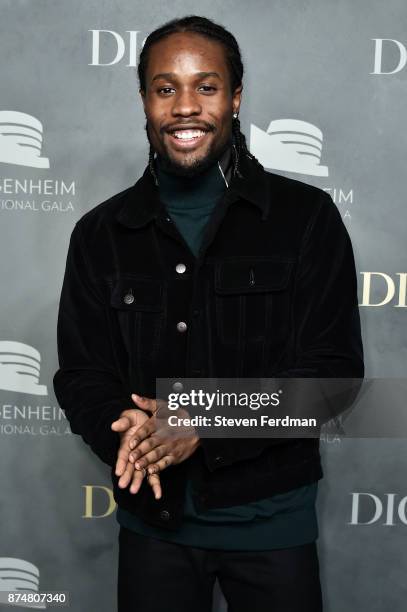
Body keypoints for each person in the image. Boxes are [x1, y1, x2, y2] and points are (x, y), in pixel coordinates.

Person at [53, 15, 364, 612]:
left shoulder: (306, 218)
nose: (185, 107)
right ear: (144, 101)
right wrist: (128, 430)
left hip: (273, 524)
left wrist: (202, 418)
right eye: (165, 88)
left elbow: (335, 377)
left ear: (236, 96)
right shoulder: (99, 233)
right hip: (154, 527)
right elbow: (82, 373)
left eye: (207, 86)